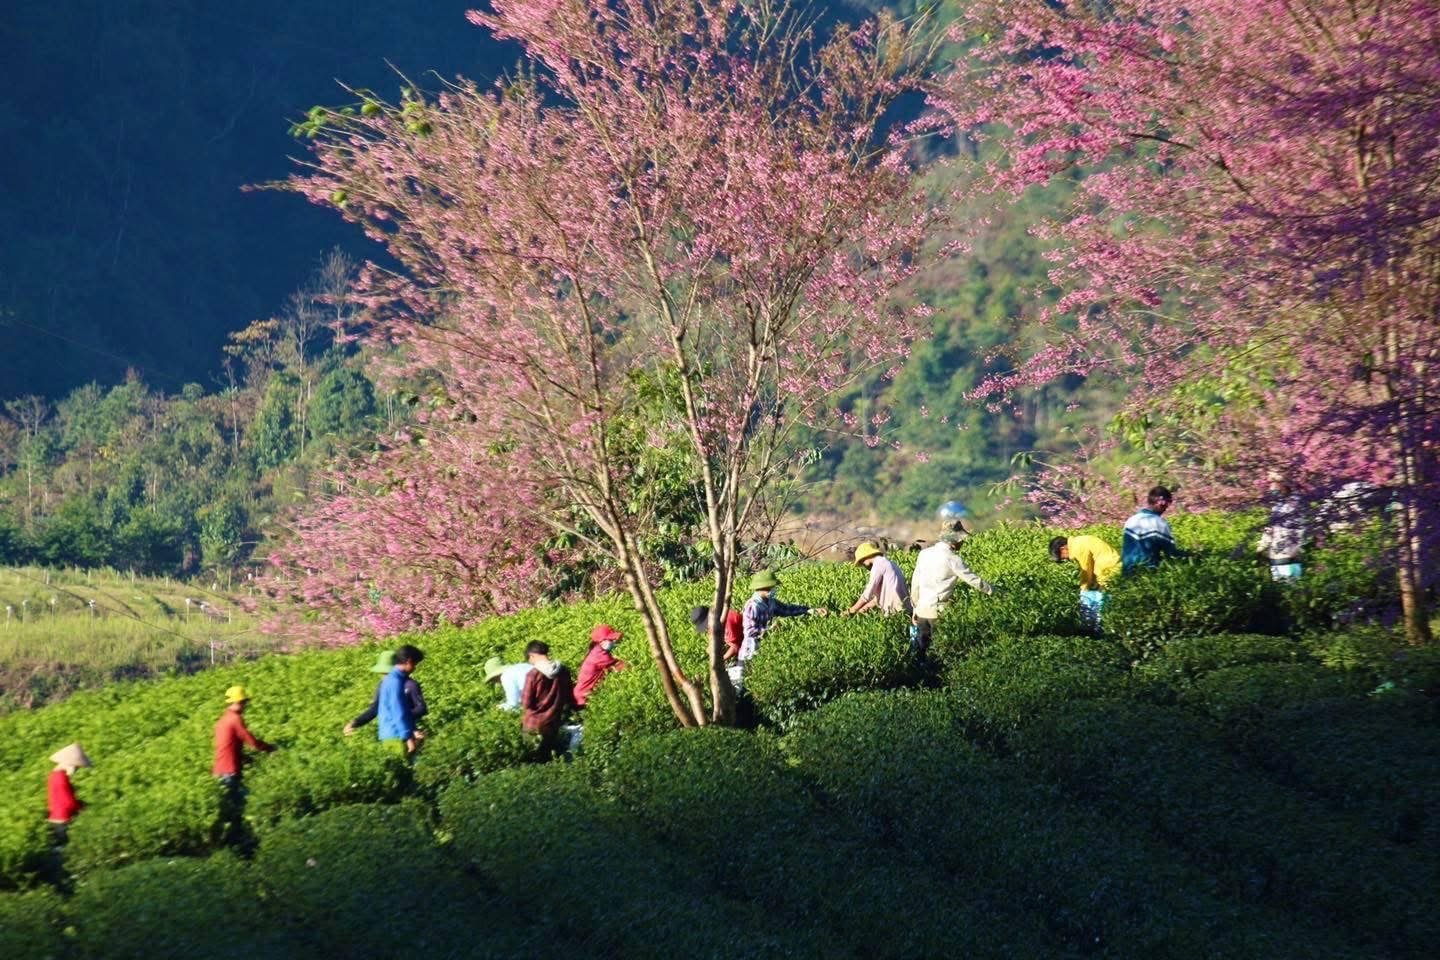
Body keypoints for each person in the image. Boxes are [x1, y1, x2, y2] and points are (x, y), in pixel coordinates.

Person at [910, 521, 994, 657]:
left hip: (922, 610)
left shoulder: (924, 554)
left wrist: (915, 607)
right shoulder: (952, 559)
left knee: (922, 651)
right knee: (939, 651)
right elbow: (974, 580)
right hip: (938, 612)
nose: (962, 543)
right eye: (961, 540)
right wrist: (994, 591)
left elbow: (915, 583)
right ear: (955, 541)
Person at [739, 569, 827, 662]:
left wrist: (810, 610)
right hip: (750, 650)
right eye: (771, 587)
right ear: (763, 587)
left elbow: (787, 610)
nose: (774, 589)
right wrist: (770, 630)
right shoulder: (752, 606)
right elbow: (750, 631)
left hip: (765, 649)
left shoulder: (771, 602)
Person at [1049, 535, 1121, 631]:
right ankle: (1100, 629)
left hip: (1109, 570)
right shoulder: (1078, 542)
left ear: (1063, 549)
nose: (1064, 559)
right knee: (1101, 600)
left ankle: (1101, 630)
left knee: (1104, 602)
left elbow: (1086, 569)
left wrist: (1084, 588)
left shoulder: (1078, 547)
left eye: (1061, 557)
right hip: (1109, 568)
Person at [367, 645, 427, 755]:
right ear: (409, 662)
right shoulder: (396, 681)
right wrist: (408, 737)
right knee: (407, 769)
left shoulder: (386, 681)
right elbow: (398, 711)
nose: (415, 668)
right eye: (415, 664)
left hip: (388, 734)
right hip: (397, 735)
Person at [521, 641, 575, 759]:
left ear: (532, 655)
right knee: (549, 756)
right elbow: (569, 695)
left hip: (534, 723)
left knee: (533, 757)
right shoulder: (563, 670)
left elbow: (526, 703)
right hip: (554, 721)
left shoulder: (533, 675)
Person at [213, 686, 275, 782]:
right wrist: (269, 748)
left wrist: (246, 758)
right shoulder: (235, 719)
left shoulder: (222, 721)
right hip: (230, 771)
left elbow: (227, 746)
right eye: (243, 702)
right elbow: (251, 741)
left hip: (219, 771)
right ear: (237, 702)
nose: (245, 705)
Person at [1121, 485, 1180, 574]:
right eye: (1168, 502)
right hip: (1147, 573)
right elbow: (1171, 554)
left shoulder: (1131, 520)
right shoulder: (1159, 523)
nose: (1167, 507)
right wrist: (1194, 555)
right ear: (1161, 502)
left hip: (1127, 572)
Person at [1258, 477, 1307, 580]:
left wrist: (1261, 547)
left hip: (1282, 557)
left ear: (1282, 487)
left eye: (1273, 484)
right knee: (1293, 589)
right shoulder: (1294, 504)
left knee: (1284, 588)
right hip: (1291, 557)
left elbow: (1270, 530)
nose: (1270, 489)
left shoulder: (1281, 507)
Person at [846, 542, 912, 616]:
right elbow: (877, 599)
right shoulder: (889, 563)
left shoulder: (878, 564)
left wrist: (851, 610)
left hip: (894, 610)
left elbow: (868, 593)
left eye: (862, 562)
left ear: (866, 556)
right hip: (905, 609)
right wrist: (861, 611)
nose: (863, 565)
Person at [340, 649, 396, 734]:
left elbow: (419, 708)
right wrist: (355, 723)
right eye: (382, 673)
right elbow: (374, 709)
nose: (384, 676)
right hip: (390, 733)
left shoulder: (409, 685)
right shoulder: (383, 685)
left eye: (387, 673)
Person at [574, 624, 627, 707]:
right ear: (601, 642)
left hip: (581, 695)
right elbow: (624, 665)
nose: (614, 641)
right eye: (610, 639)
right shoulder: (600, 656)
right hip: (583, 699)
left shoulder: (597, 650)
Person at [47, 743, 92, 832]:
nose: (76, 770)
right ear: (71, 765)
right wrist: (81, 807)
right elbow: (68, 802)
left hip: (54, 817)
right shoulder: (61, 778)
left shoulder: (54, 775)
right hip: (63, 819)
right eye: (76, 768)